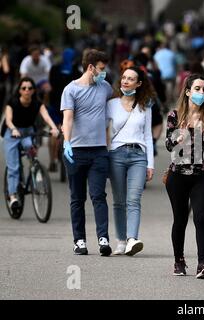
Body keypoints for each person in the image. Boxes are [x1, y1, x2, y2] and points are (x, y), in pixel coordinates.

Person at [165, 73, 204, 279]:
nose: (202, 92)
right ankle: (179, 261)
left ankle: (202, 263)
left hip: (200, 176)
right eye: (198, 89)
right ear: (188, 91)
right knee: (180, 220)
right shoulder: (175, 116)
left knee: (201, 218)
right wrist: (177, 138)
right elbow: (168, 146)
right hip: (178, 176)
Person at [61, 49, 113, 256]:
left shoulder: (105, 88)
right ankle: (79, 240)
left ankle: (103, 238)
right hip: (76, 151)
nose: (104, 72)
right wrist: (66, 143)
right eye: (101, 69)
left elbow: (118, 103)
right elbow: (68, 118)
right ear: (91, 67)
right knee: (77, 198)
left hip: (99, 151)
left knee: (98, 195)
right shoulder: (70, 90)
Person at [107, 66, 154, 256]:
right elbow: (102, 130)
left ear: (139, 83)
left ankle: (132, 239)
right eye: (124, 78)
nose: (125, 81)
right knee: (119, 201)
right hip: (116, 154)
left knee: (134, 199)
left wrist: (150, 163)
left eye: (131, 78)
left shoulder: (145, 105)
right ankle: (120, 240)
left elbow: (148, 135)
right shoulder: (111, 104)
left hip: (138, 156)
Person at [2, 77, 59, 209]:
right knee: (13, 167)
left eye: (30, 88)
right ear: (20, 90)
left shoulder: (37, 103)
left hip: (27, 131)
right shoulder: (13, 102)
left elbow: (46, 116)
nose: (27, 90)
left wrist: (53, 127)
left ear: (34, 90)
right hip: (12, 132)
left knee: (29, 146)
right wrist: (14, 129)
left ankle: (35, 169)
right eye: (24, 88)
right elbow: (8, 120)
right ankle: (13, 196)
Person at [48, 48, 82, 172]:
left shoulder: (54, 69)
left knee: (54, 132)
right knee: (70, 131)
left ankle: (52, 161)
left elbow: (50, 85)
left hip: (55, 105)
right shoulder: (76, 71)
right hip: (70, 107)